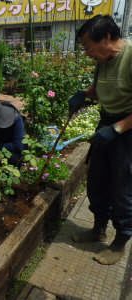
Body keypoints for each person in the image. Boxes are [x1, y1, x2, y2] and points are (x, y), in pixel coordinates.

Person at [68, 15, 132, 265]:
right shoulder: (103, 60)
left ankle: (120, 241)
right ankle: (98, 229)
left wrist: (117, 129)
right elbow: (100, 87)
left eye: (87, 46)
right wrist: (84, 94)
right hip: (107, 124)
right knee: (97, 179)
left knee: (123, 187)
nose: (87, 53)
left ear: (106, 38)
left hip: (126, 132)